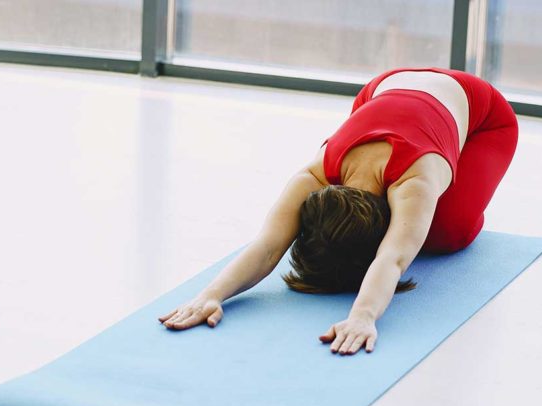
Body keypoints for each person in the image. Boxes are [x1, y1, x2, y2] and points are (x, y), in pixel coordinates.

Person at [158, 68, 519, 356]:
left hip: (482, 111)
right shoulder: (316, 174)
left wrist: (362, 316)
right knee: (409, 230)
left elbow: (391, 259)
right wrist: (211, 294)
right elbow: (268, 245)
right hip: (381, 89)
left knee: (443, 233)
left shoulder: (415, 182)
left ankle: (429, 213)